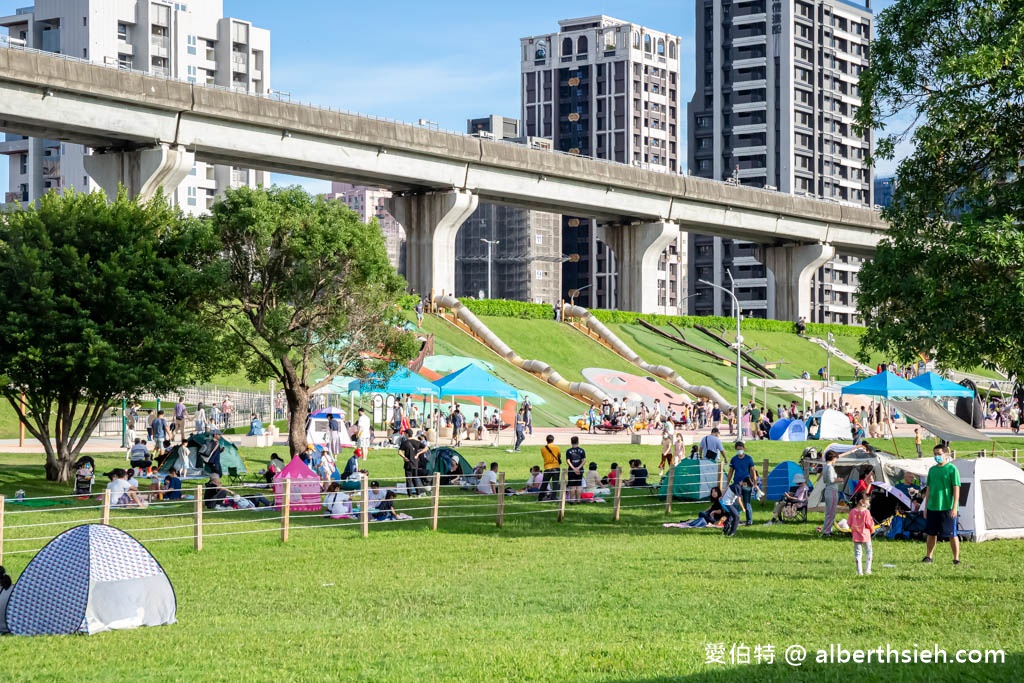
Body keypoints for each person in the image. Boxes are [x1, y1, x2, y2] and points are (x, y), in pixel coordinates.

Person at [921, 445, 962, 565]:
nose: (937, 456)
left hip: (947, 507)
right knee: (931, 533)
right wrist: (925, 506)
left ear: (945, 454)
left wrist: (954, 507)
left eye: (939, 453)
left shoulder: (952, 469)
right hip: (933, 507)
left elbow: (956, 489)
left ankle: (956, 558)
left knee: (952, 534)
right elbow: (928, 489)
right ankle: (929, 556)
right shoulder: (932, 470)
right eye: (935, 454)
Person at [727, 441, 757, 526]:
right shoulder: (734, 459)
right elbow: (730, 472)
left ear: (744, 449)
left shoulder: (748, 459)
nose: (739, 451)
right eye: (737, 449)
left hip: (746, 484)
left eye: (741, 449)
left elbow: (752, 471)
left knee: (747, 503)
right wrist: (727, 483)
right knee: (735, 503)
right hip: (736, 485)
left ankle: (749, 521)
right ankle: (735, 519)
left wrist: (754, 483)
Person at [848, 492, 874, 575]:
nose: (869, 503)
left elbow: (849, 523)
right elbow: (869, 524)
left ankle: (859, 572)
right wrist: (872, 530)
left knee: (858, 554)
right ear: (862, 501)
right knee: (869, 552)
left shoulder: (852, 512)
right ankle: (868, 570)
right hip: (866, 536)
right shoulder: (866, 512)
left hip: (856, 536)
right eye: (868, 501)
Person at [398, 429, 424, 497]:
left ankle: (409, 495)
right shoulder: (417, 442)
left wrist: (404, 457)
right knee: (415, 478)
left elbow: (399, 452)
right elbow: (426, 447)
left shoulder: (405, 443)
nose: (404, 434)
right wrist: (418, 454)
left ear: (407, 434)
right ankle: (418, 493)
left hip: (408, 463)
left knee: (408, 479)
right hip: (415, 463)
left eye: (405, 433)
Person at [820, 451, 840, 537]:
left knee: (830, 512)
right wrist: (839, 480)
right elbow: (831, 480)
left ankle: (828, 529)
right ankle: (827, 531)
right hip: (832, 490)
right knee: (831, 512)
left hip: (828, 490)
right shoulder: (829, 467)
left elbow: (825, 480)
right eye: (835, 458)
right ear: (833, 458)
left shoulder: (825, 467)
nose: (836, 460)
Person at [538, 434, 561, 502]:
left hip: (547, 467)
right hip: (556, 467)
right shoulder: (556, 448)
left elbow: (543, 456)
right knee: (555, 483)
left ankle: (540, 497)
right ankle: (553, 497)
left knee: (544, 483)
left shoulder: (543, 449)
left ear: (546, 440)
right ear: (553, 440)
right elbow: (559, 455)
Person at [565, 436, 586, 504]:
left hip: (571, 470)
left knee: (572, 486)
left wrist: (574, 468)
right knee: (579, 485)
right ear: (578, 442)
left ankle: (571, 500)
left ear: (571, 442)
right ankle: (578, 500)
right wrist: (578, 468)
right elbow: (584, 460)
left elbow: (568, 461)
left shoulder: (568, 451)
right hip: (580, 470)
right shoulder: (582, 450)